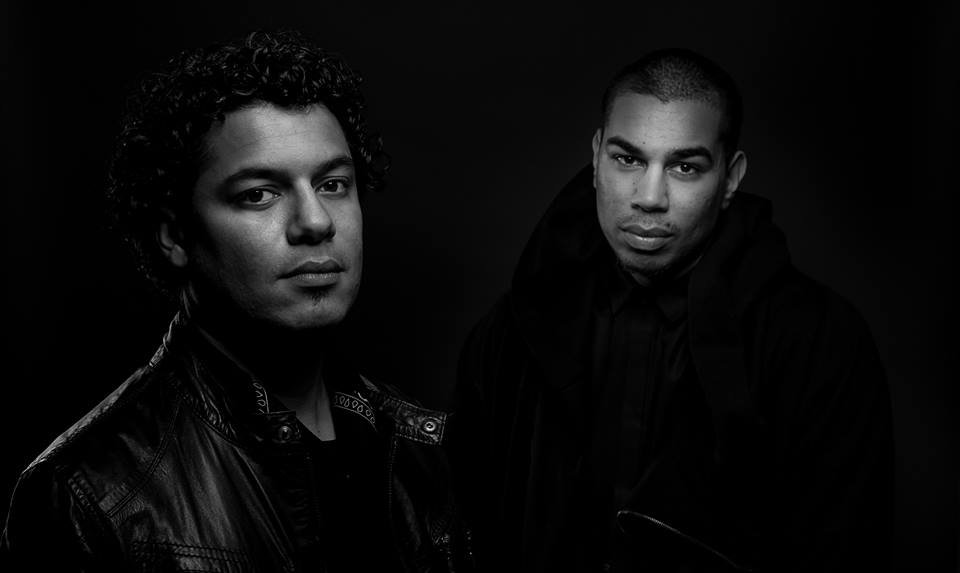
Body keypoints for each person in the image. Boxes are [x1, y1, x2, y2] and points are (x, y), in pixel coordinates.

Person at [2, 30, 472, 572]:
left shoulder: (427, 448)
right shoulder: (90, 496)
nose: (316, 222)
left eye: (333, 184)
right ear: (175, 234)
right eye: (258, 194)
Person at [453, 48, 893, 572]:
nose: (649, 197)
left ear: (730, 178)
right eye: (628, 159)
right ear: (596, 156)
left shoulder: (819, 345)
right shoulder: (513, 333)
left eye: (685, 167)